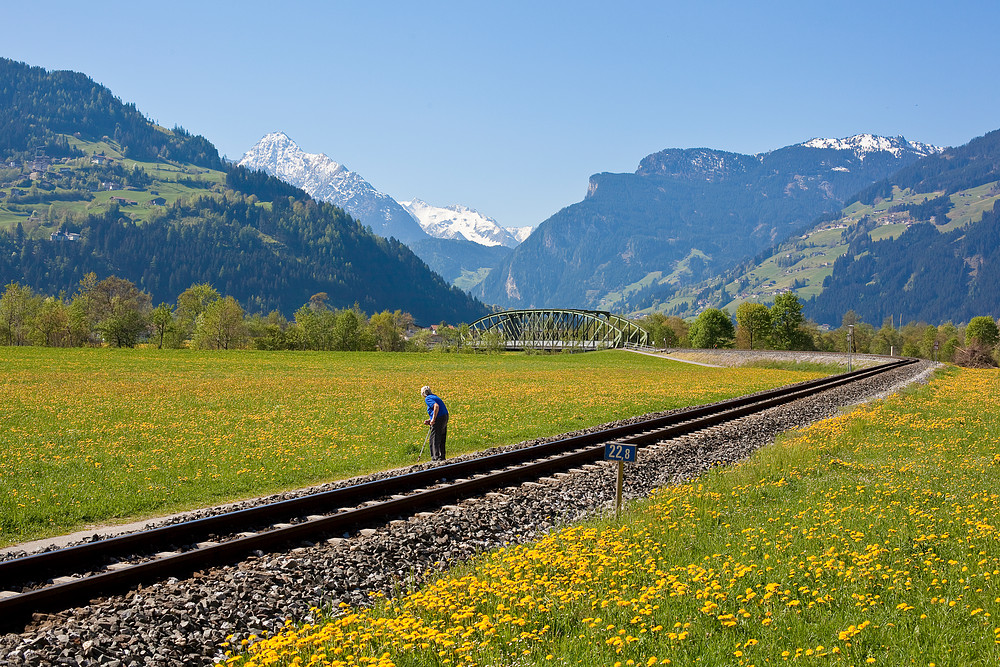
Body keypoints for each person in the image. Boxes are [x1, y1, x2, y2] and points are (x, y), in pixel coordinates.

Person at [420, 385, 448, 461]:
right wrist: (430, 419)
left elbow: (436, 406)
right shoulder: (435, 396)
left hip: (439, 418)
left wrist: (433, 419)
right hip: (444, 416)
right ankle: (442, 456)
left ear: (423, 393)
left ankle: (436, 458)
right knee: (442, 437)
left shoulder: (428, 398)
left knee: (434, 438)